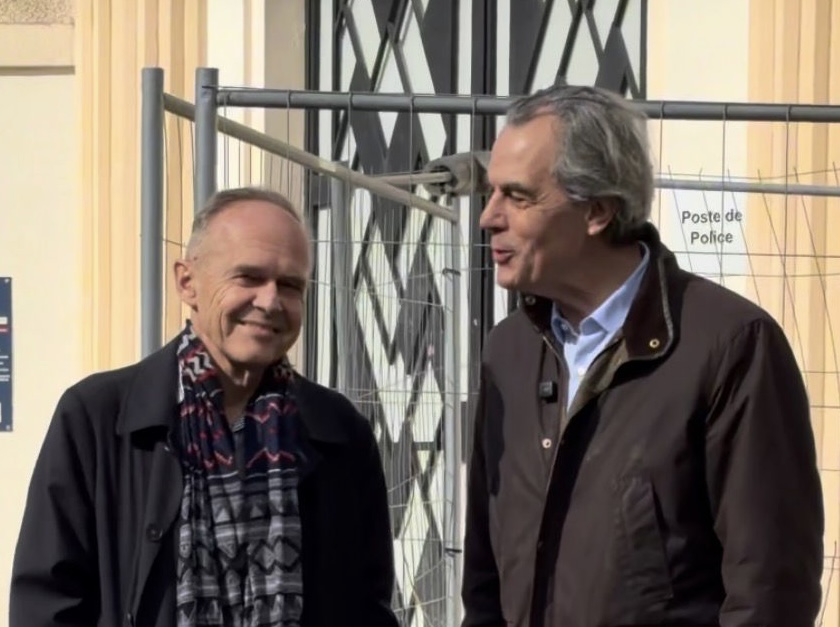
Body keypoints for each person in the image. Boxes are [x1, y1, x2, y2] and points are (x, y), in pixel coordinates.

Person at [461, 85, 824, 627]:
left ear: (598, 211)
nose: (489, 216)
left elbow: (770, 589)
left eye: (517, 196)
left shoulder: (731, 347)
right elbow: (485, 584)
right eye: (492, 193)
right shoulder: (508, 352)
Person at [10, 187, 400, 627]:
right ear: (187, 282)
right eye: (248, 277)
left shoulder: (338, 432)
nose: (270, 301)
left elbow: (369, 607)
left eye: (290, 285)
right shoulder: (97, 419)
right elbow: (46, 605)